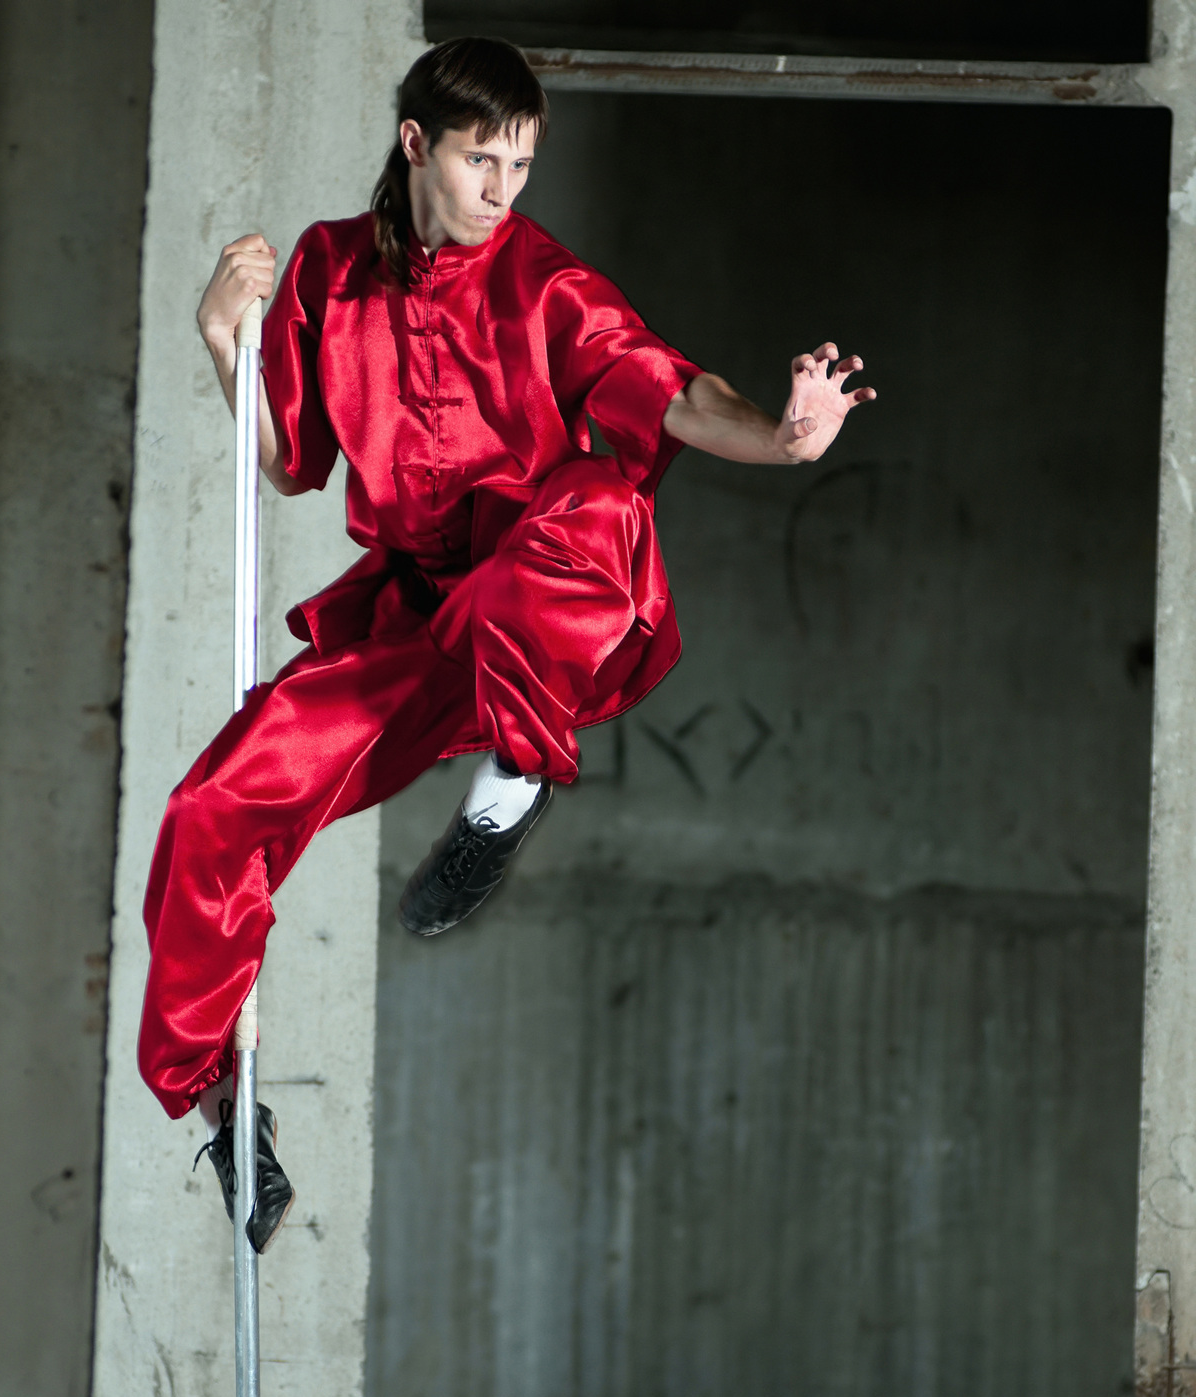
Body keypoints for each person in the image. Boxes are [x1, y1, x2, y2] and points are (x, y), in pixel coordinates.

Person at [142, 37, 876, 1254]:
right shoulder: (328, 268)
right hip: (412, 623)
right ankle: (227, 1110)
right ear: (417, 144)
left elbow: (676, 394)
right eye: (484, 161)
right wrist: (227, 339)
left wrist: (789, 441)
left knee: (599, 495)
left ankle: (517, 779)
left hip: (544, 610)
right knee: (210, 809)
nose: (503, 190)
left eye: (523, 165)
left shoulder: (548, 285)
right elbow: (286, 462)